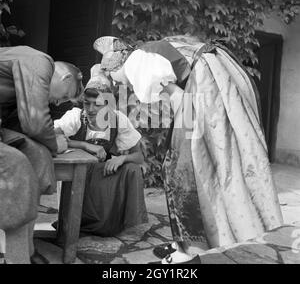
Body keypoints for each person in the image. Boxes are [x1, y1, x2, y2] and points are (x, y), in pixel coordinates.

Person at [92, 35, 284, 264]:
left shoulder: (136, 62)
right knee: (208, 164)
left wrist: (183, 139)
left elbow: (178, 97)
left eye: (112, 76)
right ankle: (195, 242)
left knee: (180, 170)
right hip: (211, 84)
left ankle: (189, 250)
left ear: (117, 64)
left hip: (204, 87)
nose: (117, 84)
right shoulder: (146, 54)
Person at [0, 45, 83, 263]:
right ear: (64, 77)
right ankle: (17, 259)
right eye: (63, 96)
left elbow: (22, 126)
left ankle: (24, 248)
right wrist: (55, 143)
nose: (57, 103)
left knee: (38, 154)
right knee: (17, 164)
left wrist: (48, 144)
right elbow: (35, 123)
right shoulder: (39, 61)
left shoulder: (29, 73)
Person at [54, 71, 148, 236]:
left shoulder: (118, 120)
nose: (90, 109)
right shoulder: (76, 116)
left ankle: (125, 222)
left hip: (102, 174)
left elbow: (139, 156)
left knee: (132, 169)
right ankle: (77, 220)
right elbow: (51, 135)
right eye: (86, 103)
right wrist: (84, 145)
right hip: (78, 175)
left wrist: (122, 158)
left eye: (97, 104)